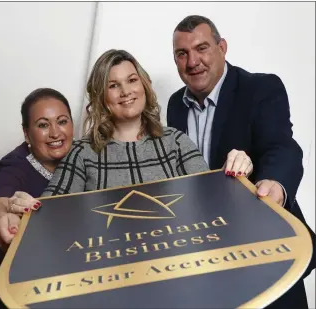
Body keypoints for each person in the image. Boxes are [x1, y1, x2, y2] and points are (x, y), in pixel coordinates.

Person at [166, 15, 315, 309]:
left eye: (202, 48)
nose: (192, 61)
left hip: (263, 247)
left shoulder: (260, 88)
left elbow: (281, 146)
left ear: (222, 47)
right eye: (182, 54)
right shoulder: (174, 105)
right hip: (204, 255)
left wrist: (274, 184)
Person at [42, 49, 253, 198]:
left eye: (132, 80)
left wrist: (234, 170)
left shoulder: (176, 142)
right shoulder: (82, 153)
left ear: (144, 85)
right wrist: (19, 207)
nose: (126, 92)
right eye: (114, 85)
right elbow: (51, 214)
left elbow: (212, 196)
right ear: (100, 97)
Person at [0, 88, 74, 309]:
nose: (55, 133)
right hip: (24, 287)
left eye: (62, 121)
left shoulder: (81, 156)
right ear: (26, 133)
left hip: (65, 279)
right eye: (43, 125)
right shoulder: (13, 166)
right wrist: (1, 221)